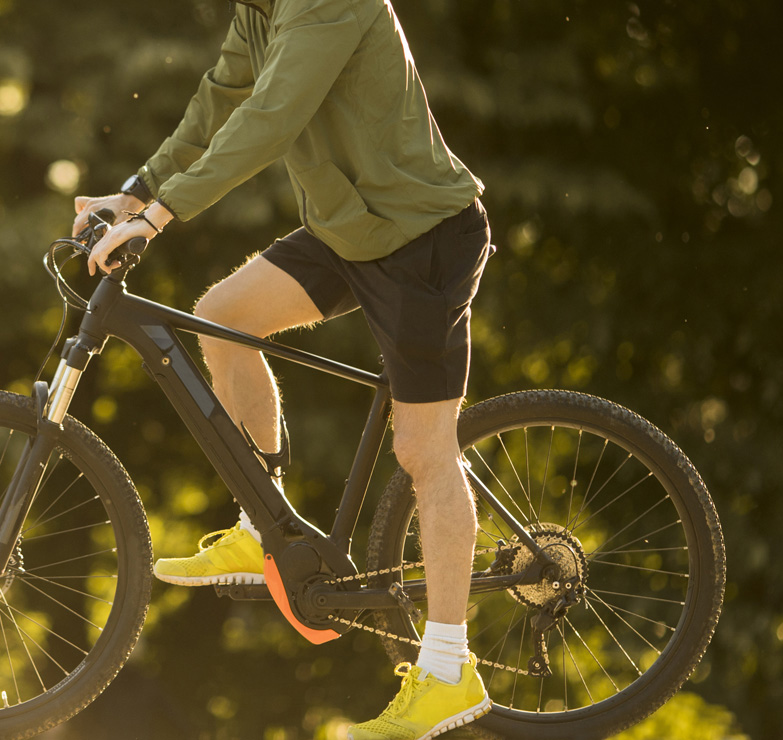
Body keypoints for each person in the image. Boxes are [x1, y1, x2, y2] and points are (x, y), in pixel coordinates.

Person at [69, 0, 494, 737]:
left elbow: (269, 118)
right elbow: (219, 99)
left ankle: (450, 671)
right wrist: (136, 190)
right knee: (225, 316)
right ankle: (261, 523)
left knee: (423, 452)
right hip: (348, 228)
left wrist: (159, 215)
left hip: (422, 236)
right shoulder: (259, 10)